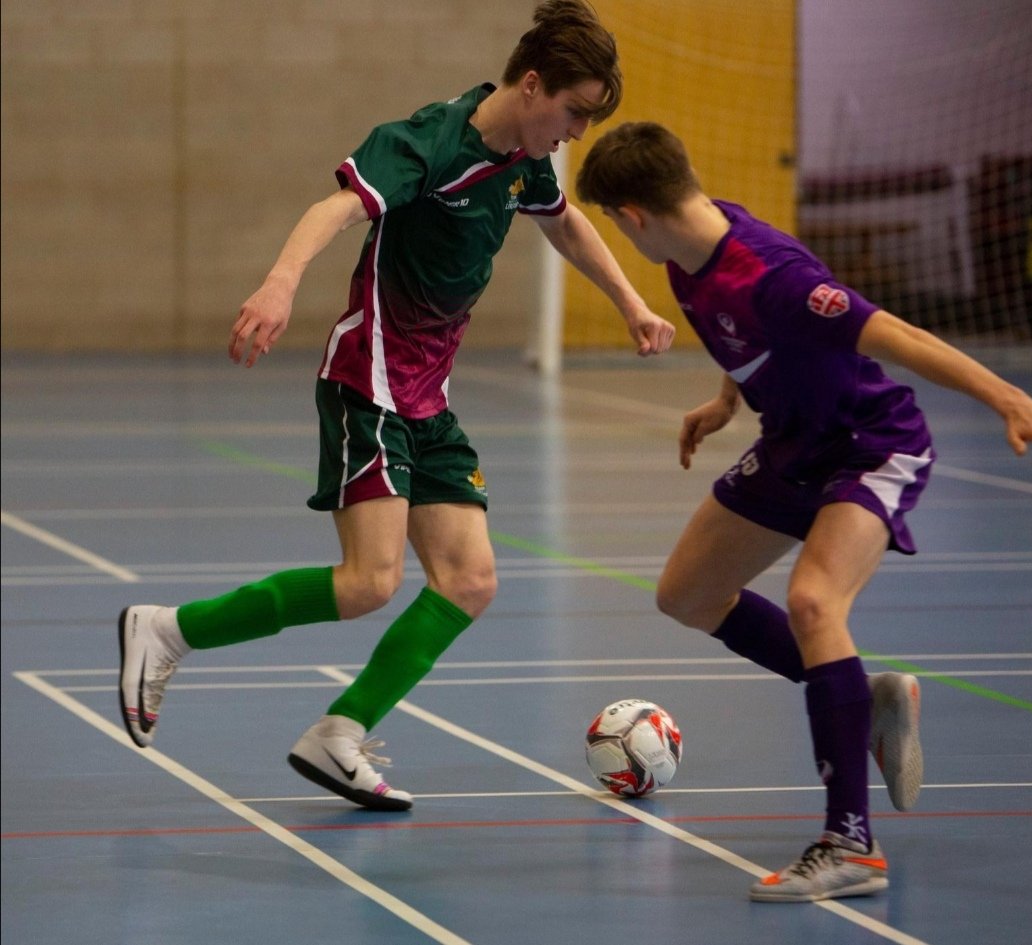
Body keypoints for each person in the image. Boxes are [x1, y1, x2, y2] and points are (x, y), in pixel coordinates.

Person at [118, 1, 676, 811]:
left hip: (427, 398)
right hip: (368, 382)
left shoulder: (527, 158)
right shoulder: (427, 142)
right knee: (369, 581)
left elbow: (567, 227)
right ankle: (168, 629)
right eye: (575, 111)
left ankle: (339, 733)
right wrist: (281, 281)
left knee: (470, 578)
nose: (577, 131)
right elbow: (334, 209)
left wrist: (630, 301)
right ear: (531, 86)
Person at [576, 121, 1032, 902]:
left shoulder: (775, 272)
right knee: (686, 593)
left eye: (613, 220)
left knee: (814, 601)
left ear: (632, 216)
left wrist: (1011, 397)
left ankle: (851, 843)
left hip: (870, 443)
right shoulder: (688, 253)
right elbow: (740, 338)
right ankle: (866, 694)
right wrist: (723, 400)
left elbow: (900, 335)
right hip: (792, 443)